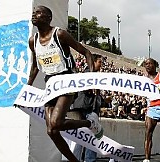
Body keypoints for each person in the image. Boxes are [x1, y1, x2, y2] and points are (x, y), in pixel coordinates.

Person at [27, 6, 103, 162]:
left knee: (56, 123)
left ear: (48, 18)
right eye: (33, 12)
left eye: (38, 12)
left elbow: (87, 53)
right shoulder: (32, 40)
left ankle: (90, 122)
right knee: (52, 131)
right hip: (50, 83)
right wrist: (26, 88)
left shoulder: (60, 34)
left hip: (66, 80)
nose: (34, 14)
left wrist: (91, 78)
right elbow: (35, 66)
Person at [70, 53, 103, 162]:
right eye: (99, 62)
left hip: (88, 107)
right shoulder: (87, 74)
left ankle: (78, 158)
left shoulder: (93, 75)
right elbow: (85, 89)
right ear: (93, 62)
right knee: (89, 134)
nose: (101, 65)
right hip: (85, 107)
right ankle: (88, 159)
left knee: (84, 134)